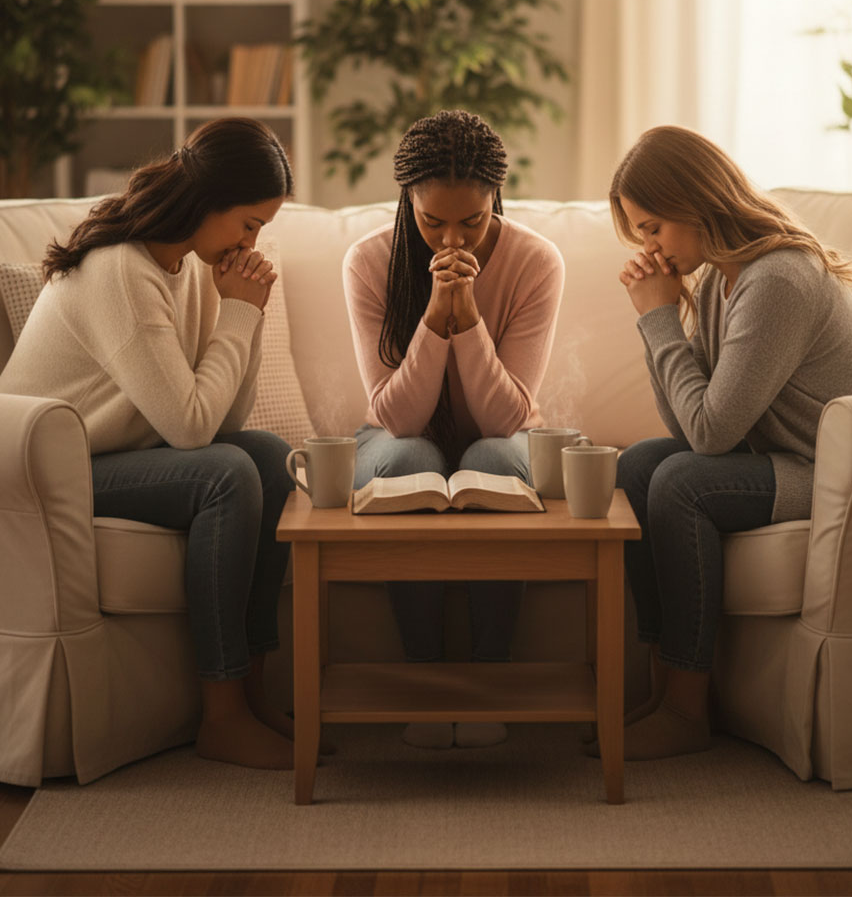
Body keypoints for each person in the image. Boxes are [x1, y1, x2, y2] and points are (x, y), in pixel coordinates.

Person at [0, 117, 299, 770]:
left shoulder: (185, 264)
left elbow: (222, 420)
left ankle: (252, 693)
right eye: (249, 223)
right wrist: (240, 314)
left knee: (270, 460)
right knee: (227, 475)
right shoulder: (121, 269)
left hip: (119, 457)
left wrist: (245, 311)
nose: (253, 240)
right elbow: (193, 431)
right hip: (52, 471)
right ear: (207, 202)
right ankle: (221, 718)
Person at [598, 124, 852, 762]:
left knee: (680, 482)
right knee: (641, 465)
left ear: (694, 201)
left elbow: (709, 435)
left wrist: (654, 318)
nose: (648, 246)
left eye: (651, 228)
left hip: (841, 475)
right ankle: (659, 688)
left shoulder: (777, 278)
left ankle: (685, 707)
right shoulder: (717, 283)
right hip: (783, 459)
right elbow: (687, 428)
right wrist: (665, 318)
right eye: (639, 233)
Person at [343, 109, 565, 748]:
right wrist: (433, 315)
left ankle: (489, 681)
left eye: (471, 222)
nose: (452, 243)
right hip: (392, 443)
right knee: (412, 457)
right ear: (406, 201)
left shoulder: (534, 261)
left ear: (496, 197)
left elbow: (506, 417)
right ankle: (425, 680)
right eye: (431, 222)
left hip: (503, 442)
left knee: (493, 457)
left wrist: (466, 320)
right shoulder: (368, 261)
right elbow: (396, 416)